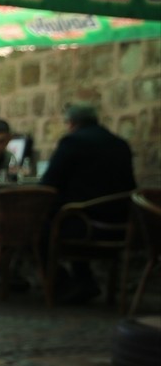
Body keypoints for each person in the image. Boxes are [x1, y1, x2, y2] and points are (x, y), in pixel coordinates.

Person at [41, 103, 136, 304]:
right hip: (122, 225)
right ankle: (84, 280)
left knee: (36, 226)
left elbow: (48, 183)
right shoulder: (120, 144)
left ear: (72, 123)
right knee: (66, 213)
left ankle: (63, 285)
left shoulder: (72, 142)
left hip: (82, 224)